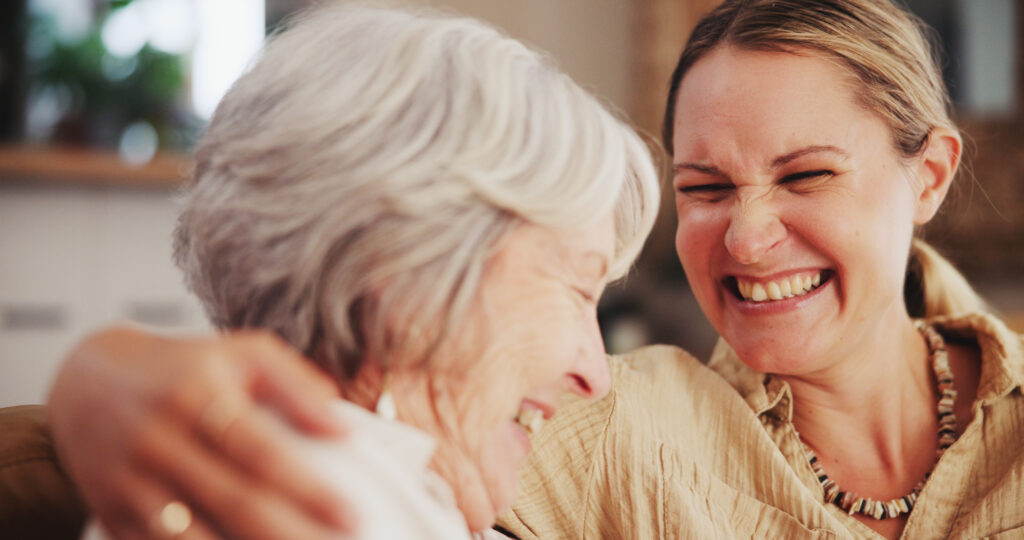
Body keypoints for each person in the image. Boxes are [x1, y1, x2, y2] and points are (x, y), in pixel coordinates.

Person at [4, 0, 1023, 538]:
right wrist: (106, 374)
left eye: (804, 174)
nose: (747, 238)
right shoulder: (616, 426)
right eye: (703, 187)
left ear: (927, 174)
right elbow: (303, 410)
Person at [4, 2, 662, 538]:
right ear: (410, 276)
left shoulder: (380, 479)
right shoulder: (321, 504)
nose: (596, 375)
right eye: (577, 289)